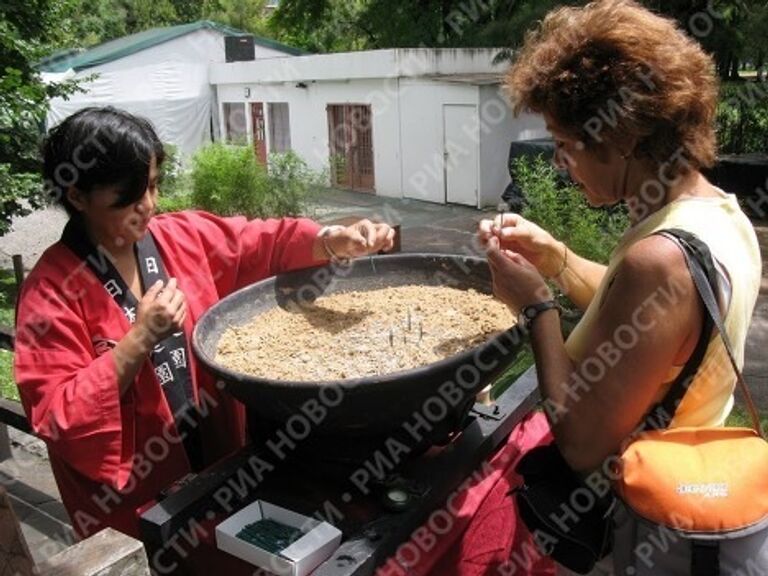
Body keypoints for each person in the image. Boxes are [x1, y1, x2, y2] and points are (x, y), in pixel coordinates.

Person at [13, 106, 395, 542]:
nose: (149, 206)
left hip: (223, 466)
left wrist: (331, 241)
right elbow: (60, 416)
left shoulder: (180, 235)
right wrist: (137, 340)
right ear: (77, 196)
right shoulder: (51, 292)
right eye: (128, 196)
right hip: (136, 507)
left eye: (154, 186)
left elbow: (261, 244)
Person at [475, 0, 761, 574]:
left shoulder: (657, 260)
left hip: (629, 522)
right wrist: (555, 258)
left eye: (564, 142)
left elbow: (582, 442)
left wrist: (537, 307)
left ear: (623, 135)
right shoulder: (715, 216)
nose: (559, 163)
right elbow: (639, 313)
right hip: (689, 471)